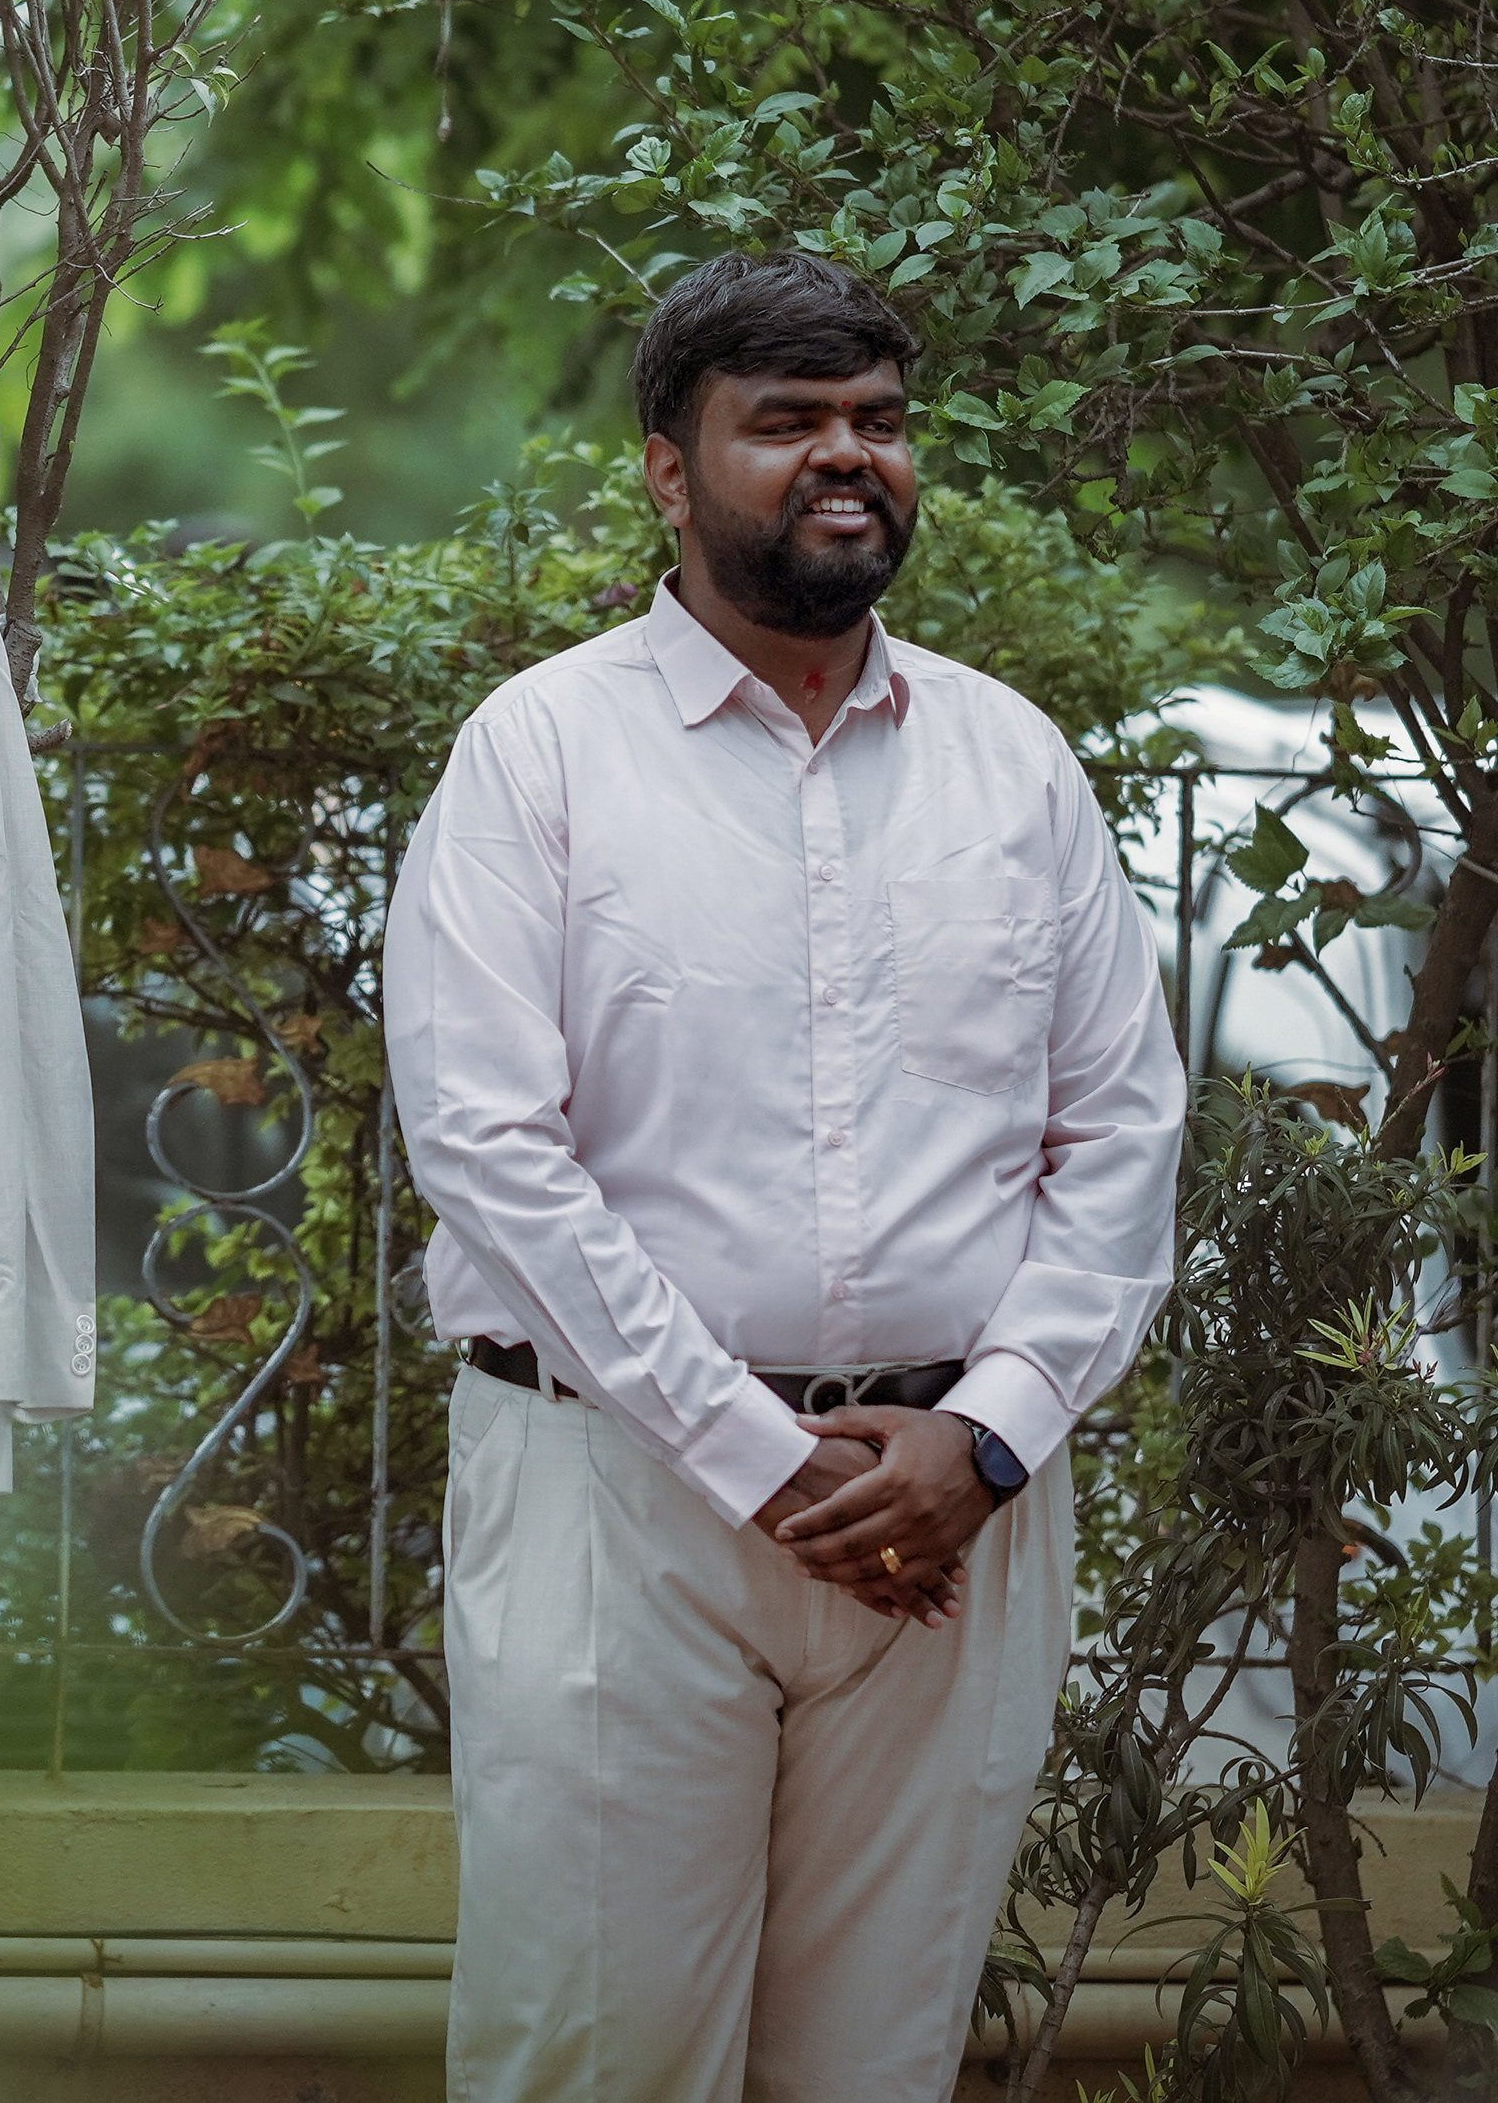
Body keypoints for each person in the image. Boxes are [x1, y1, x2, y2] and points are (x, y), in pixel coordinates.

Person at [387, 250, 1186, 2101]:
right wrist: (754, 1454)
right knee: (598, 2058)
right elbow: (490, 1144)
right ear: (669, 472)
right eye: (790, 422)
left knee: (874, 2067)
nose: (850, 456)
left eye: (880, 421)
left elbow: (1121, 1133)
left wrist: (991, 1435)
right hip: (619, 1495)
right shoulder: (540, 754)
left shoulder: (1013, 764)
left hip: (950, 1517)